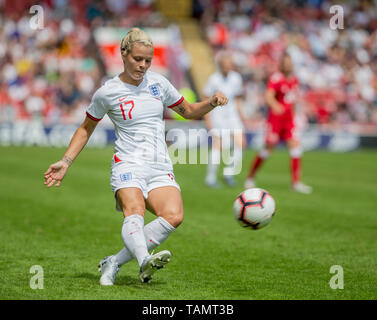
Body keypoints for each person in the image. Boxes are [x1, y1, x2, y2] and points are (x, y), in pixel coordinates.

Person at [43, 28, 228, 286]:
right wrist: (65, 162)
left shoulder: (159, 84)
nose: (143, 65)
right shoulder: (107, 92)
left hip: (159, 164)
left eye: (148, 60)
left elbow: (187, 111)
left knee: (174, 216)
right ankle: (144, 261)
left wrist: (211, 102)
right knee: (135, 210)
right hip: (127, 163)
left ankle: (114, 262)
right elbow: (86, 127)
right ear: (123, 53)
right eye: (137, 59)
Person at [244, 53, 312, 194]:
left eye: (289, 63)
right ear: (281, 64)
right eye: (285, 63)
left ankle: (296, 182)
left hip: (289, 121)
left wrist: (295, 114)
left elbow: (292, 100)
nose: (288, 65)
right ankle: (250, 177)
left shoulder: (294, 80)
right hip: (275, 120)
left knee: (296, 148)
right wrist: (275, 106)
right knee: (267, 149)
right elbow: (268, 96)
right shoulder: (276, 78)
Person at [203, 51, 247, 188]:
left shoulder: (236, 78)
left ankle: (228, 173)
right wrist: (208, 119)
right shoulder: (214, 79)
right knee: (218, 145)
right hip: (218, 115)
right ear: (220, 65)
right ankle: (210, 178)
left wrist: (242, 116)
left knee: (241, 143)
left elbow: (238, 98)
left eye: (229, 64)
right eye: (225, 64)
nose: (227, 67)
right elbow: (205, 98)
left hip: (232, 115)